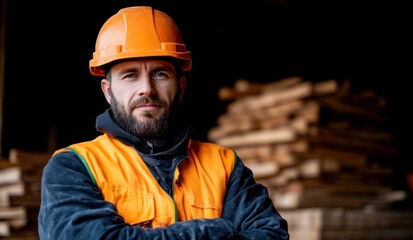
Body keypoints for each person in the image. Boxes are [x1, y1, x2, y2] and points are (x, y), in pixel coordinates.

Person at [38, 5, 289, 240]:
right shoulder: (73, 166)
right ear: (108, 91)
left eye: (160, 73)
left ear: (180, 86)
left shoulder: (223, 165)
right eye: (130, 75)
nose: (147, 89)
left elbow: (271, 234)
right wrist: (211, 231)